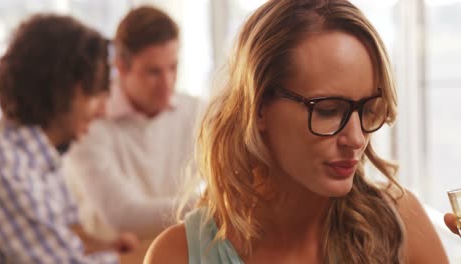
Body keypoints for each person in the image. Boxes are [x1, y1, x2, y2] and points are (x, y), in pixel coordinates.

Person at [144, 0, 449, 263]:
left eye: (368, 110)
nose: (356, 139)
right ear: (258, 106)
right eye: (329, 110)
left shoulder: (401, 226)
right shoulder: (177, 256)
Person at [0, 14, 139, 263]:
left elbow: (68, 235)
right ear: (58, 88)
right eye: (92, 93)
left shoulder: (39, 157)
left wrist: (107, 246)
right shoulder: (6, 167)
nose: (103, 110)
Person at [62, 5, 200, 243]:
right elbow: (123, 215)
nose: (167, 83)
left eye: (173, 67)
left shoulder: (196, 112)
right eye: (153, 72)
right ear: (121, 67)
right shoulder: (89, 123)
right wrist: (215, 205)